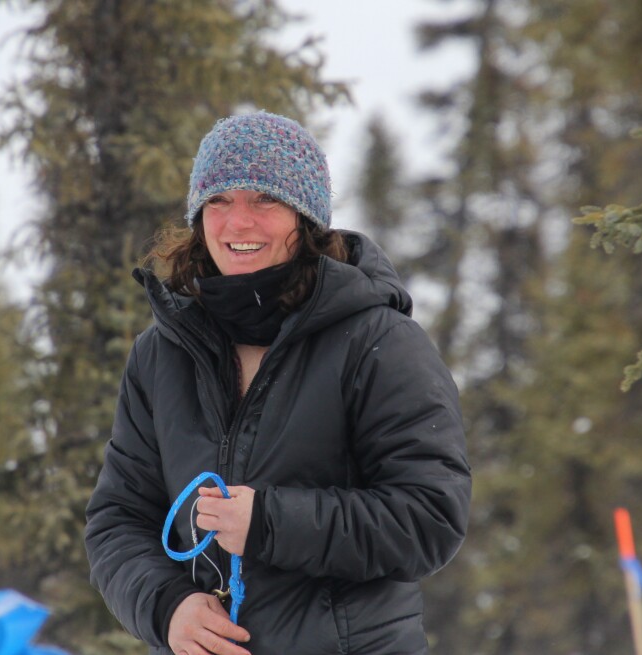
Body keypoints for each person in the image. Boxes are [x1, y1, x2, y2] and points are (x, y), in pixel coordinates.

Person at [84, 111, 471, 655]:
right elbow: (118, 519)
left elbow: (430, 517)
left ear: (306, 218)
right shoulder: (161, 354)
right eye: (218, 201)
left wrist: (271, 524)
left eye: (264, 200)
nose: (238, 222)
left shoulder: (378, 342)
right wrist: (168, 606)